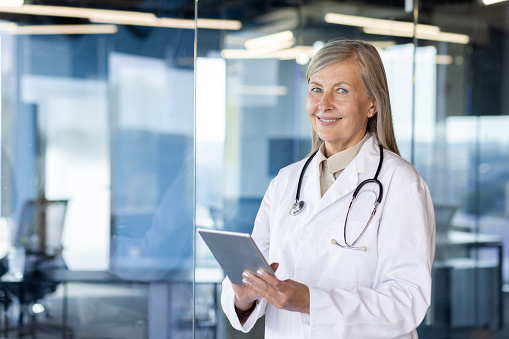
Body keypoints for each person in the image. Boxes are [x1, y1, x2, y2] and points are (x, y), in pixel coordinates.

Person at [220, 38, 436, 338]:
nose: (323, 104)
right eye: (316, 89)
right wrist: (244, 296)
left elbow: (407, 300)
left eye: (342, 90)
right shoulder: (286, 181)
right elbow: (254, 275)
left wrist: (311, 302)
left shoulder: (400, 183)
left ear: (372, 104)